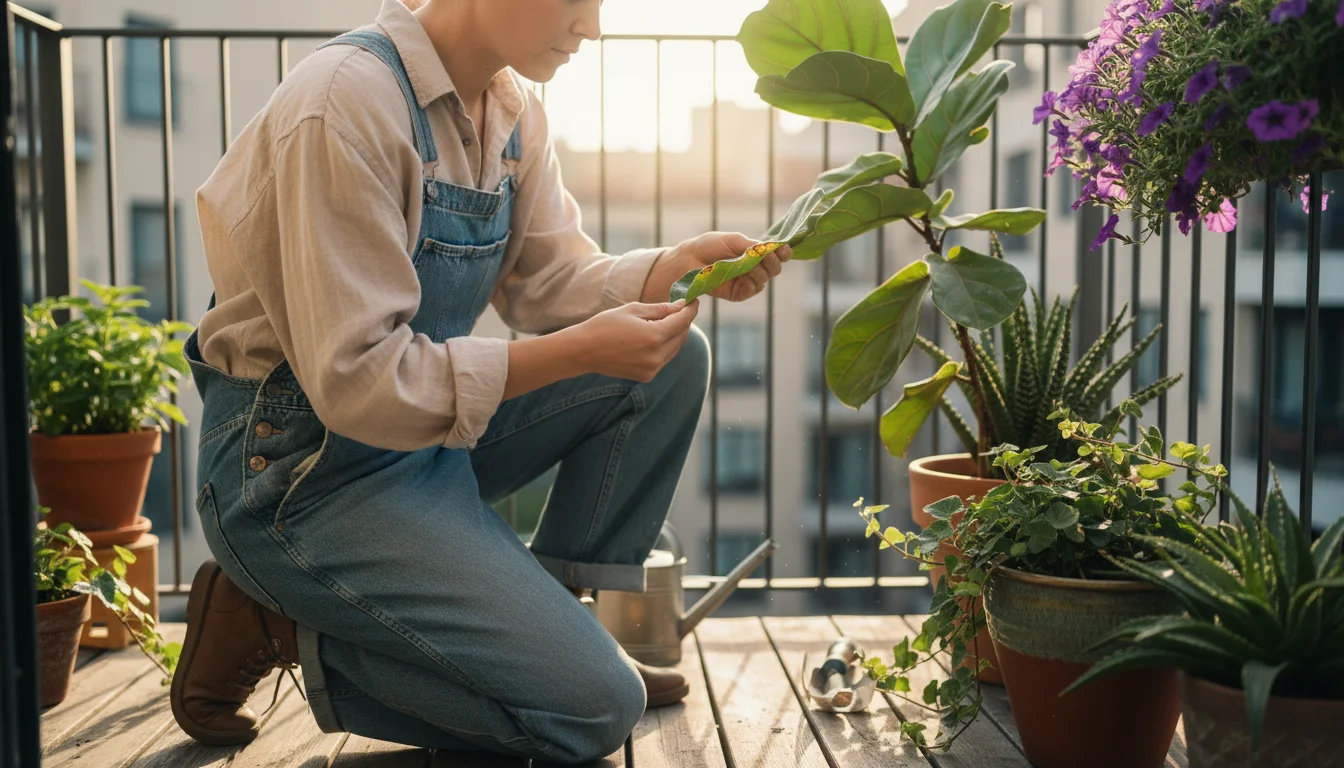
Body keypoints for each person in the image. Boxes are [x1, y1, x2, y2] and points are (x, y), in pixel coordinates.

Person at [168, 0, 789, 763]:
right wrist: (580, 350)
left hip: (414, 441)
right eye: (577, 0)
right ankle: (274, 624)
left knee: (673, 358)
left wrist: (668, 269)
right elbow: (358, 381)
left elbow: (548, 280)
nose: (592, 27)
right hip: (300, 470)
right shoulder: (343, 105)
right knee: (596, 713)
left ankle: (554, 624)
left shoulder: (511, 108)